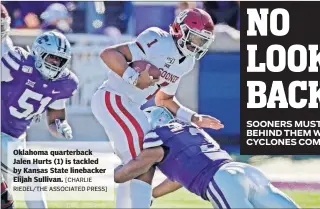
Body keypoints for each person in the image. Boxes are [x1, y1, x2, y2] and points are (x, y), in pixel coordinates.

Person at [91, 8, 224, 208]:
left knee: (140, 163)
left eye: (202, 41)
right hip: (113, 97)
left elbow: (164, 99)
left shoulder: (186, 62)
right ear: (180, 30)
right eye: (195, 39)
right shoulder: (158, 40)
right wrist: (133, 78)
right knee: (144, 158)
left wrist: (194, 118)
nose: (197, 46)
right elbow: (108, 54)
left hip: (131, 105)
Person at [114, 106, 301, 209]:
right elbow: (179, 177)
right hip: (245, 172)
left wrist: (117, 172)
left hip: (221, 180)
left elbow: (134, 168)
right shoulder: (188, 129)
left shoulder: (158, 138)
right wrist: (152, 195)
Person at [1, 30, 79, 209]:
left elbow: (55, 119)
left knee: (6, 195)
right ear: (38, 52)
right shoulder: (18, 62)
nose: (55, 63)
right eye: (51, 57)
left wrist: (61, 126)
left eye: (59, 60)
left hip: (16, 137)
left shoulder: (64, 83)